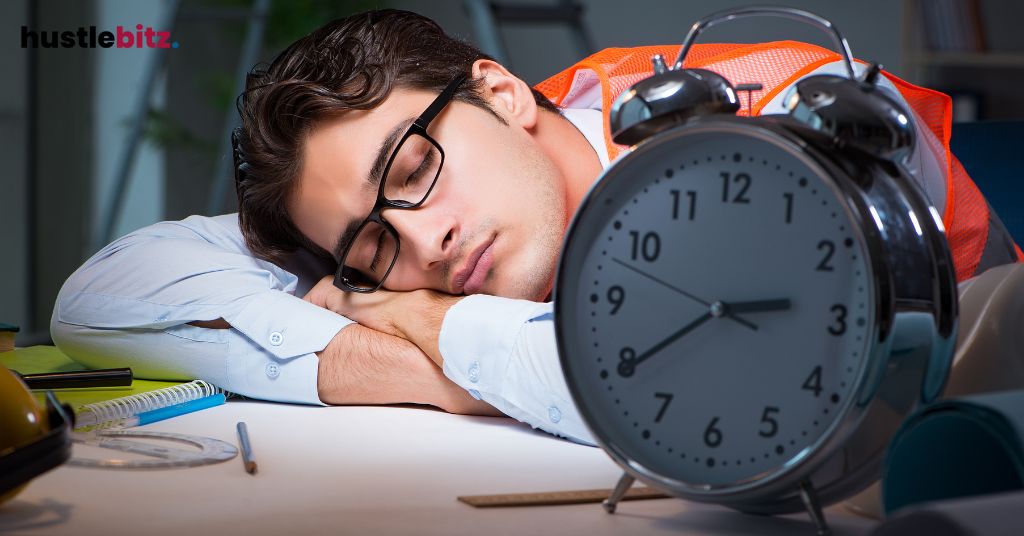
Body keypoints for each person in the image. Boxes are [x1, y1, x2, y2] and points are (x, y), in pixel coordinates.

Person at [52, 9, 1021, 445]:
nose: (420, 245)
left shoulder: (770, 117)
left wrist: (433, 326)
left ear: (500, 90)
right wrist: (419, 371)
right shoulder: (505, 178)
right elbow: (105, 293)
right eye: (370, 249)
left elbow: (717, 386)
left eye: (413, 169)